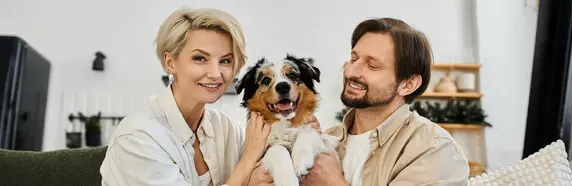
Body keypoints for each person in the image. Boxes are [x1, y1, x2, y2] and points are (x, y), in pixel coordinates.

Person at [99, 8, 280, 186]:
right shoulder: (137, 138)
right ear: (170, 62)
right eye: (200, 58)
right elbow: (252, 170)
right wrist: (247, 162)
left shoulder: (226, 129)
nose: (215, 74)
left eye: (225, 61)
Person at [300, 18, 470, 186]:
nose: (351, 71)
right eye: (353, 59)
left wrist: (331, 183)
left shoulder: (433, 149)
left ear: (408, 84)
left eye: (372, 65)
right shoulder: (327, 140)